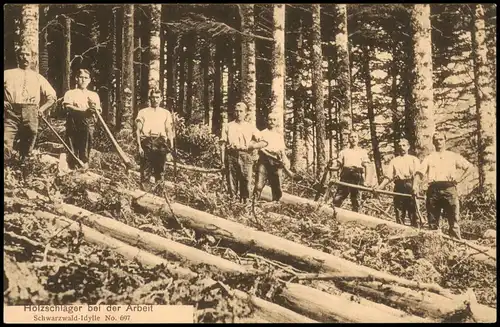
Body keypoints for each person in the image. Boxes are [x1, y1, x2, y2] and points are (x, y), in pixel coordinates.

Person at [412, 132, 473, 239]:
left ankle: (455, 246)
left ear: (445, 141)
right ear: (433, 142)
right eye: (436, 140)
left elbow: (469, 167)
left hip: (449, 189)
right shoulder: (429, 157)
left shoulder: (453, 156)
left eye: (441, 139)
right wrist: (415, 185)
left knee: (453, 219)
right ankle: (436, 247)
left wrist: (459, 179)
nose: (438, 142)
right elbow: (419, 173)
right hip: (433, 190)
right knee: (433, 221)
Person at [4, 45, 57, 159]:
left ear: (32, 58)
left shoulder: (38, 77)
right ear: (18, 57)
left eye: (27, 54)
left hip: (31, 111)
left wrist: (41, 109)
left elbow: (52, 96)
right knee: (6, 139)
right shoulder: (7, 74)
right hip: (11, 111)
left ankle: (24, 167)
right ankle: (6, 168)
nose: (25, 57)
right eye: (22, 54)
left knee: (29, 139)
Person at [374, 139, 420, 226]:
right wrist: (379, 188)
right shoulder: (394, 161)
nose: (402, 148)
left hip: (410, 186)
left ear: (408, 147)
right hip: (399, 186)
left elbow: (417, 175)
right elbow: (388, 177)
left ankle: (416, 231)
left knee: (413, 212)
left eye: (404, 145)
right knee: (399, 211)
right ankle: (400, 232)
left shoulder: (414, 159)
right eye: (400, 146)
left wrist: (415, 187)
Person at [219, 102, 259, 203]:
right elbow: (222, 144)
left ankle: (244, 205)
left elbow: (262, 141)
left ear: (245, 113)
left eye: (241, 111)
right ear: (234, 112)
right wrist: (222, 161)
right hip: (231, 156)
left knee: (246, 181)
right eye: (236, 111)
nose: (238, 113)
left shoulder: (250, 127)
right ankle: (233, 204)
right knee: (232, 181)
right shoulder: (228, 126)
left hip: (246, 156)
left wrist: (252, 147)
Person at [62, 69, 102, 169]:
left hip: (88, 121)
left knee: (86, 143)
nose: (83, 80)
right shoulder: (70, 93)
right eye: (81, 77)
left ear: (89, 80)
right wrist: (83, 110)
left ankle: (84, 164)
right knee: (72, 143)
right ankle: (72, 166)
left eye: (86, 78)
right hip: (73, 120)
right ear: (76, 78)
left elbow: (98, 110)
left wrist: (93, 110)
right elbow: (68, 107)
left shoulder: (94, 95)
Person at [135, 89, 174, 185]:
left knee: (160, 171)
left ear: (161, 99)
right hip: (147, 142)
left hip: (161, 143)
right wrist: (139, 146)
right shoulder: (143, 112)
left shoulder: (166, 113)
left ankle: (159, 195)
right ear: (150, 98)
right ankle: (144, 195)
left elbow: (169, 130)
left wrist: (171, 147)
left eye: (157, 97)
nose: (155, 100)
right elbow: (138, 131)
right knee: (145, 171)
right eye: (153, 97)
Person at [252, 111, 290, 203]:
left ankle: (276, 203)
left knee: (276, 184)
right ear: (267, 121)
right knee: (259, 184)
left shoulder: (279, 135)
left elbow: (282, 150)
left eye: (274, 120)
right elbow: (256, 146)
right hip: (264, 160)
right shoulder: (262, 133)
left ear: (277, 122)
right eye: (270, 120)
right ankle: (254, 202)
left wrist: (286, 160)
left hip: (276, 161)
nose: (272, 122)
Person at [331, 131, 371, 212]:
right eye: (351, 137)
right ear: (348, 139)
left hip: (357, 177)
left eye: (355, 137)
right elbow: (337, 167)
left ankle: (355, 220)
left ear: (358, 139)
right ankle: (333, 214)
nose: (353, 139)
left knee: (356, 200)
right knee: (337, 198)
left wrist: (366, 181)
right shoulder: (343, 152)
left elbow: (367, 167)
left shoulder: (362, 152)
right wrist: (330, 168)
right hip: (345, 176)